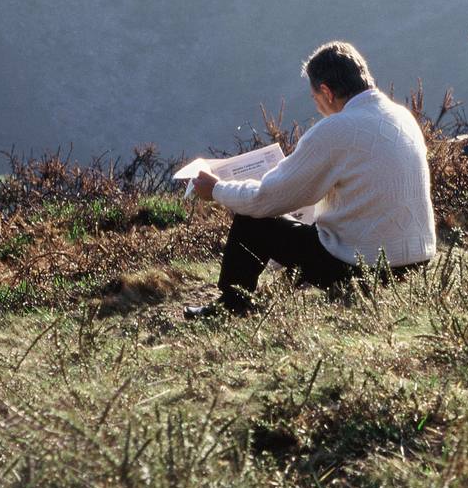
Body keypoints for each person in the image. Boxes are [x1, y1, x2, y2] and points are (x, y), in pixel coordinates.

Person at [183, 41, 435, 317]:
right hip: (416, 261)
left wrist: (217, 189)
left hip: (365, 267)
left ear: (326, 92)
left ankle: (232, 305)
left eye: (315, 99)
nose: (318, 107)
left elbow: (265, 199)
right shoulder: (403, 116)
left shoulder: (337, 128)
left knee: (253, 221)